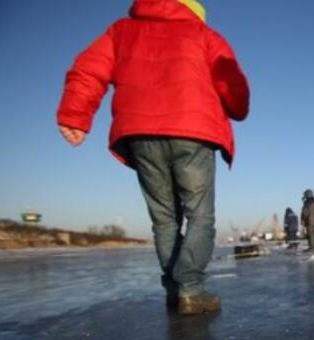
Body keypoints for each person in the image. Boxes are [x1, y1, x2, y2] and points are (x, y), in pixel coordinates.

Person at [56, 0, 250, 315]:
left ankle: (175, 291)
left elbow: (88, 69)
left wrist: (74, 115)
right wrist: (238, 108)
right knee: (200, 215)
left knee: (164, 219)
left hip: (140, 133)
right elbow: (232, 83)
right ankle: (190, 288)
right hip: (193, 131)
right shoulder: (205, 34)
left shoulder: (121, 31)